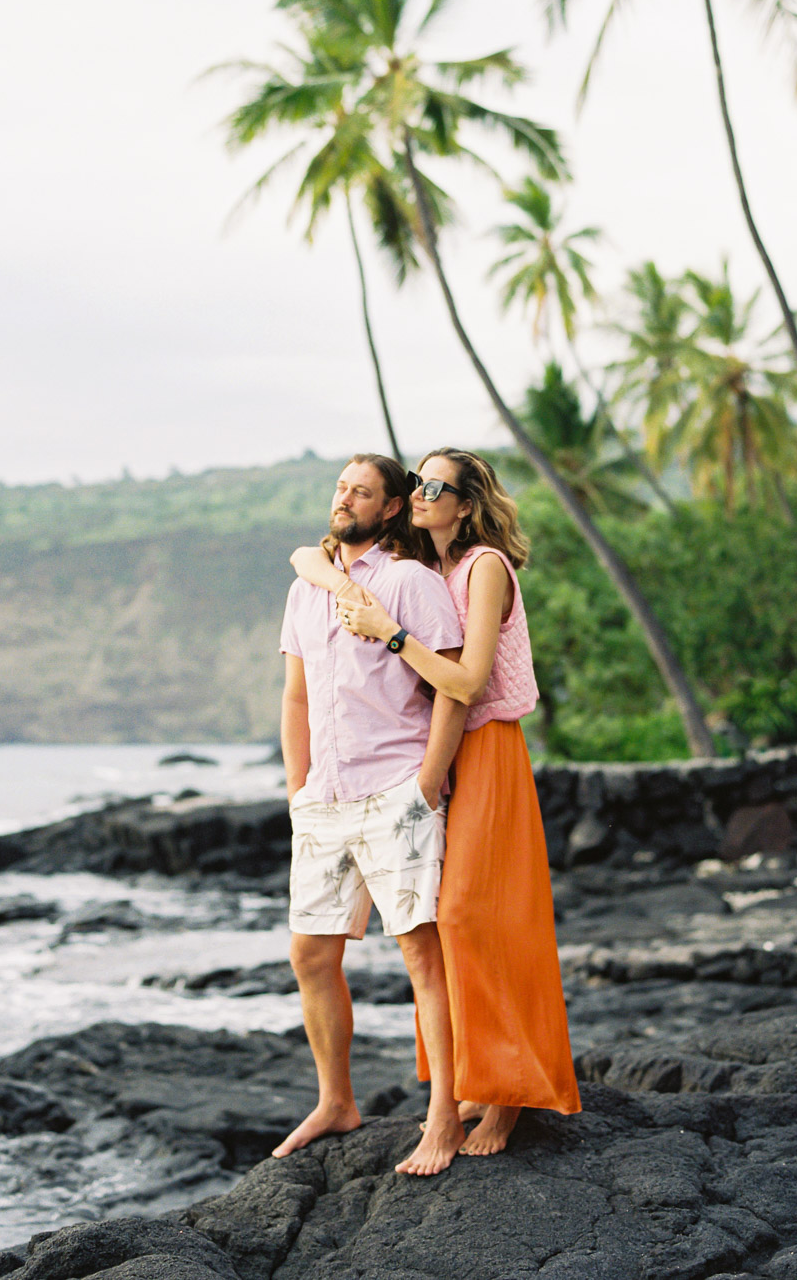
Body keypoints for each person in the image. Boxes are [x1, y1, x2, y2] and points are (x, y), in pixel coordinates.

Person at [291, 448, 580, 1157]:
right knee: (456, 928)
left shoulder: (480, 568)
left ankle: (508, 1095)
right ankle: (480, 1081)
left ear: (467, 502)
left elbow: (468, 683)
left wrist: (389, 634)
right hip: (442, 755)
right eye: (416, 482)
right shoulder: (432, 571)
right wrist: (325, 570)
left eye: (433, 485)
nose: (420, 492)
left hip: (486, 751)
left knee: (474, 919)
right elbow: (311, 560)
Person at [276, 452, 470, 1176]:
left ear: (391, 508)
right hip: (323, 797)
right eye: (340, 487)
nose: (345, 498)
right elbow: (295, 697)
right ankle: (336, 1101)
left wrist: (427, 781)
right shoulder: (306, 591)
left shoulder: (409, 582)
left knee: (422, 955)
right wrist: (299, 786)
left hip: (396, 788)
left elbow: (453, 686)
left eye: (361, 491)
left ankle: (443, 1116)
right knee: (311, 953)